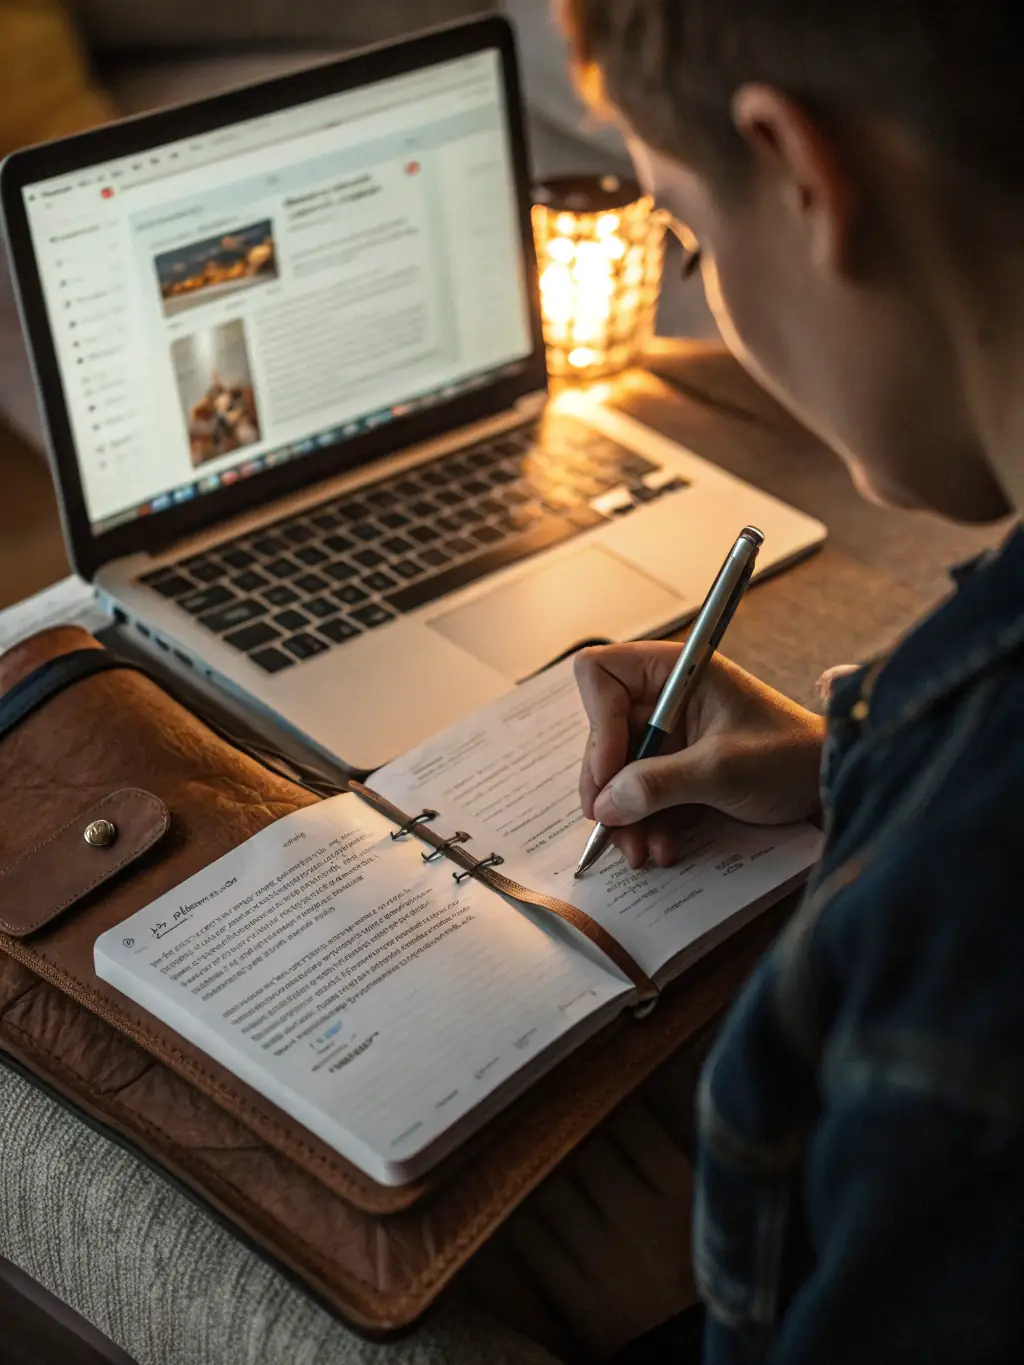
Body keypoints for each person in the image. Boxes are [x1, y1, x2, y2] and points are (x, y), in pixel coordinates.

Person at [564, 1, 1024, 1362]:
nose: (710, 287)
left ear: (807, 174)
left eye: (691, 236)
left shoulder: (969, 913)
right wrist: (843, 751)